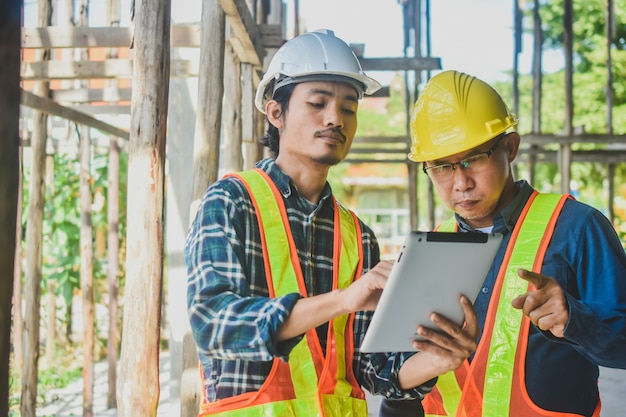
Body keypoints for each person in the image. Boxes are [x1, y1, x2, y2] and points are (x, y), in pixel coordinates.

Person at [184, 30, 479, 417]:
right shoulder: (231, 202)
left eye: (349, 108)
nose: (334, 119)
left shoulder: (358, 237)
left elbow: (372, 372)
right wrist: (344, 299)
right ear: (276, 113)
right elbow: (214, 326)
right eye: (318, 103)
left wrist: (440, 359)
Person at [380, 69, 626, 417]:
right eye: (441, 167)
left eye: (473, 159)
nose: (461, 182)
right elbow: (407, 374)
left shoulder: (577, 227)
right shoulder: (427, 250)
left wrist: (574, 318)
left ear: (509, 148)